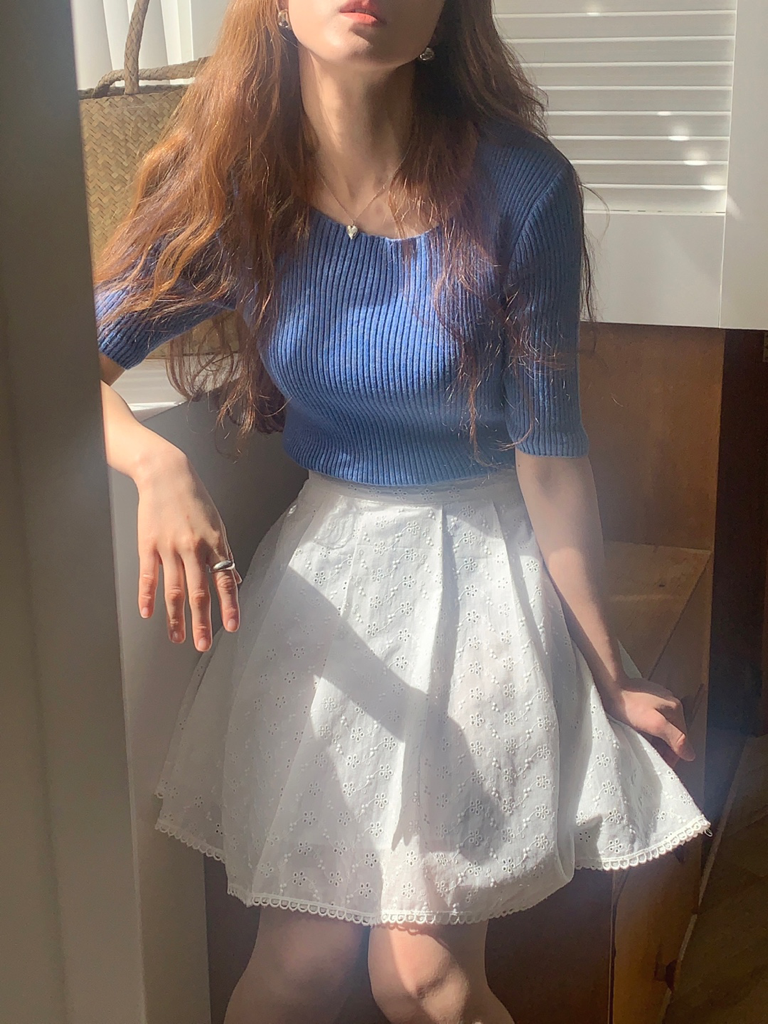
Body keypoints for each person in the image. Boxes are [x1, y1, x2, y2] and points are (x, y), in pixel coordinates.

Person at [95, 2, 712, 1022]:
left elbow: (550, 456)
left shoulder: (522, 187)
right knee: (299, 965)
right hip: (331, 582)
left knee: (425, 979)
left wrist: (611, 669)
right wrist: (154, 465)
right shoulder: (234, 183)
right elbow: (65, 360)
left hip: (487, 576)